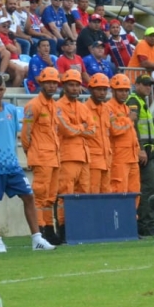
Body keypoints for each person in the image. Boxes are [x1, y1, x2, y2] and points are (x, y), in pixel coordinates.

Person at [0, 74, 56, 254]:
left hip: (12, 165)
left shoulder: (11, 110)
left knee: (29, 196)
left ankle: (37, 239)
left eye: (1, 89)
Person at [21, 67, 62, 246]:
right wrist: (31, 153)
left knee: (51, 197)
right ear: (41, 83)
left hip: (53, 157)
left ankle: (49, 230)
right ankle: (39, 230)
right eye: (49, 83)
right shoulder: (34, 105)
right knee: (39, 196)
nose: (52, 86)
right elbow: (26, 134)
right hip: (41, 157)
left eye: (54, 83)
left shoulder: (53, 105)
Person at [54, 68, 95, 243]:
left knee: (84, 195)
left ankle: (80, 228)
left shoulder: (82, 107)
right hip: (68, 157)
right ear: (64, 86)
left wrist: (78, 128)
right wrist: (82, 128)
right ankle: (63, 230)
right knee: (66, 195)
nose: (75, 89)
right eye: (71, 85)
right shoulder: (58, 107)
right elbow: (67, 130)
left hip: (84, 157)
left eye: (77, 86)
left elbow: (93, 130)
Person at [126, 74, 154, 237]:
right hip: (143, 155)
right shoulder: (134, 102)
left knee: (147, 188)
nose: (148, 88)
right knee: (149, 189)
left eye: (150, 85)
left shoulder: (142, 102)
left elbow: (147, 125)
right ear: (136, 85)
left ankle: (145, 222)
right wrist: (141, 148)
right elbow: (134, 126)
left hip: (146, 154)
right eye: (145, 85)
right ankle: (146, 223)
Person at [106, 74, 140, 196]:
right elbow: (115, 130)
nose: (124, 93)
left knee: (134, 192)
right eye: (120, 90)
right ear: (113, 90)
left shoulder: (126, 108)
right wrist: (129, 120)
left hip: (132, 157)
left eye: (126, 90)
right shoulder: (108, 108)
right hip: (119, 158)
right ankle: (119, 216)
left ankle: (131, 215)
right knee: (119, 191)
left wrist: (138, 150)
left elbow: (131, 134)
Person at [84, 73, 113, 194]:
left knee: (106, 194)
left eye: (104, 89)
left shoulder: (107, 109)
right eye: (99, 89)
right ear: (90, 89)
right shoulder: (84, 109)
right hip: (93, 161)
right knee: (93, 193)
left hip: (106, 160)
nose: (102, 93)